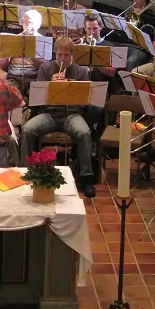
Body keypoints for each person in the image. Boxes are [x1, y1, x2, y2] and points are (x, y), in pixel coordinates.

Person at [20, 37, 96, 196]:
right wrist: (51, 85)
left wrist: (71, 87)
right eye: (59, 55)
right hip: (50, 114)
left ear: (72, 55)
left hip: (72, 115)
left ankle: (86, 177)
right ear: (55, 53)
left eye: (66, 55)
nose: (62, 59)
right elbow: (38, 99)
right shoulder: (45, 69)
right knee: (27, 129)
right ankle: (26, 172)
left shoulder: (82, 72)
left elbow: (85, 103)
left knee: (84, 132)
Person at [0, 9, 44, 93]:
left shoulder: (43, 41)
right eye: (24, 22)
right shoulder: (13, 39)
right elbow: (1, 66)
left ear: (38, 24)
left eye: (30, 22)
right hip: (13, 77)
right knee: (7, 94)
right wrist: (10, 51)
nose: (26, 25)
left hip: (33, 78)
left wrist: (29, 50)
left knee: (36, 96)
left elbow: (44, 67)